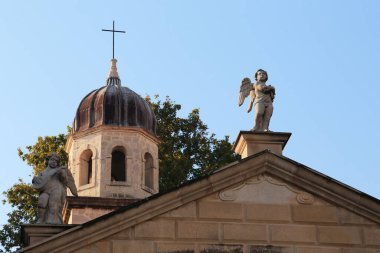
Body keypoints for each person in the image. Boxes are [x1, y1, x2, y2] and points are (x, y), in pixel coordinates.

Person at [32, 153, 78, 224]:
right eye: (52, 160)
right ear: (48, 160)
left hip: (56, 189)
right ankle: (41, 219)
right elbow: (40, 181)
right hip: (45, 190)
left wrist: (62, 174)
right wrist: (35, 180)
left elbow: (65, 180)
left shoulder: (60, 170)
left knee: (53, 206)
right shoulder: (43, 172)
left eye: (56, 161)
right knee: (41, 203)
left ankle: (52, 221)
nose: (54, 162)